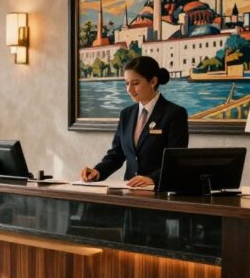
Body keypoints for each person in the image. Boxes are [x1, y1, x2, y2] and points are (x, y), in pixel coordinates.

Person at [80, 56, 188, 188]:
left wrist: (152, 179)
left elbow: (175, 161)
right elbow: (116, 154)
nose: (129, 90)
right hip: (130, 192)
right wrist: (97, 171)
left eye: (135, 83)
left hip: (160, 193)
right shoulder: (126, 114)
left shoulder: (175, 114)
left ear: (153, 81)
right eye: (127, 83)